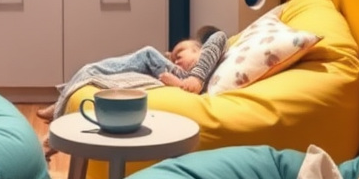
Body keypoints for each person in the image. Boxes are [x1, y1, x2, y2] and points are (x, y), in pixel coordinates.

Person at [37, 29, 229, 122]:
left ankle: (61, 103)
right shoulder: (184, 69)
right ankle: (64, 99)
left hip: (185, 79)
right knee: (92, 71)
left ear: (198, 49)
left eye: (179, 55)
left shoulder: (207, 56)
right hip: (177, 79)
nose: (176, 61)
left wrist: (193, 79)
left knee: (146, 54)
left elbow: (218, 36)